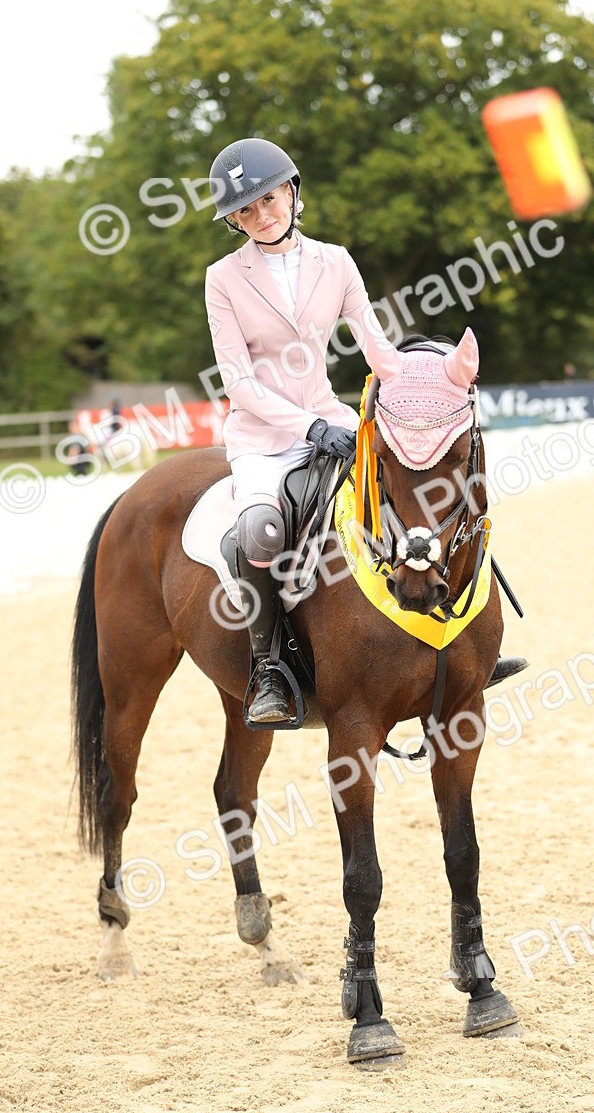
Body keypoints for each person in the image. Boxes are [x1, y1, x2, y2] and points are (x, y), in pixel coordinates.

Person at [205, 137, 524, 724]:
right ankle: (268, 668)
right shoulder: (223, 279)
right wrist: (308, 427)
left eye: (268, 199)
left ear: (292, 193)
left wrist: (436, 378)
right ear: (233, 221)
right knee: (259, 531)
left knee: (419, 485)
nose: (260, 216)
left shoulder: (337, 261)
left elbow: (379, 350)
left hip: (333, 416)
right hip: (264, 436)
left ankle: (459, 637)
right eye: (244, 211)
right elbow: (240, 382)